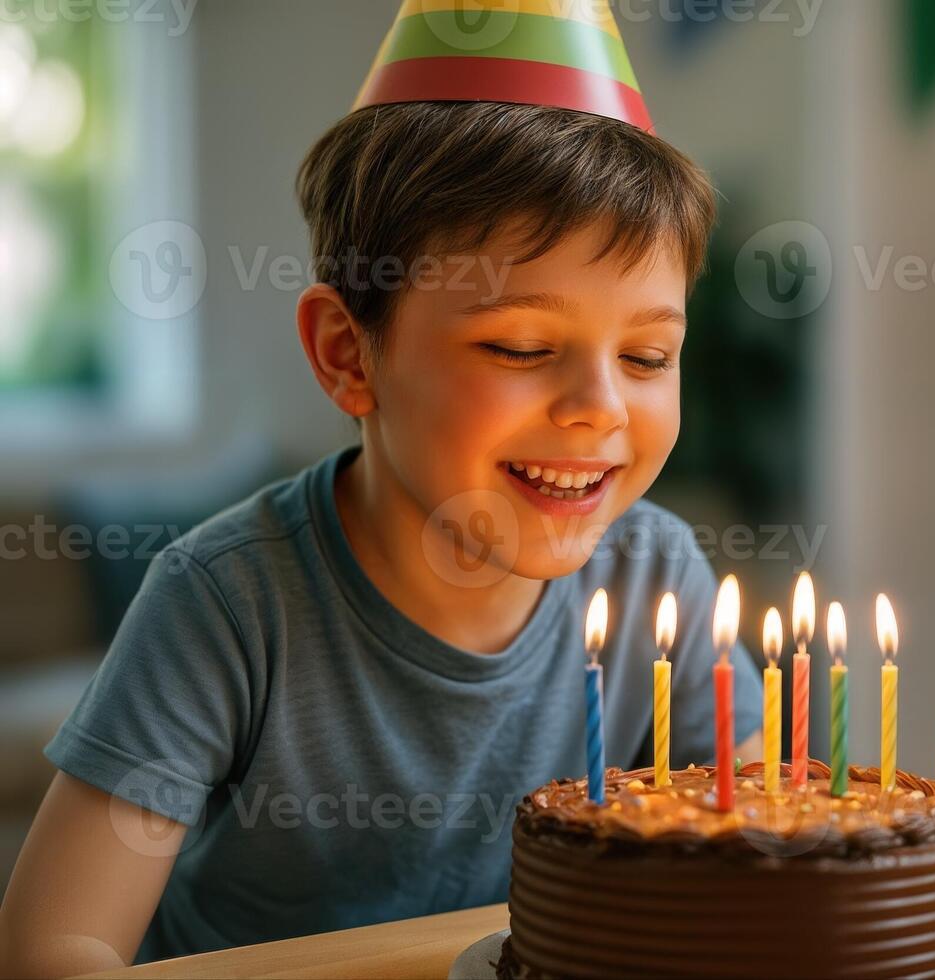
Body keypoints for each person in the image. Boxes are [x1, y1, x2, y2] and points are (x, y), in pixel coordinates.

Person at [0, 6, 764, 974]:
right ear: (346, 353)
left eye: (649, 353)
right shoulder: (228, 600)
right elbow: (54, 946)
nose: (600, 407)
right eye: (523, 347)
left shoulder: (657, 573)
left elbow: (763, 859)